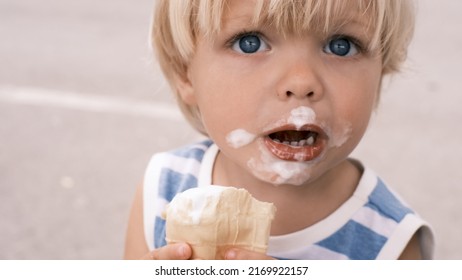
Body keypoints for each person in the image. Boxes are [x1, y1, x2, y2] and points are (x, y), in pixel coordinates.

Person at [124, 0, 434, 260]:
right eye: (251, 42)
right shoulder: (163, 191)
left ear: (381, 73)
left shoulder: (392, 244)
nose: (301, 82)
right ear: (185, 73)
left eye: (341, 46)